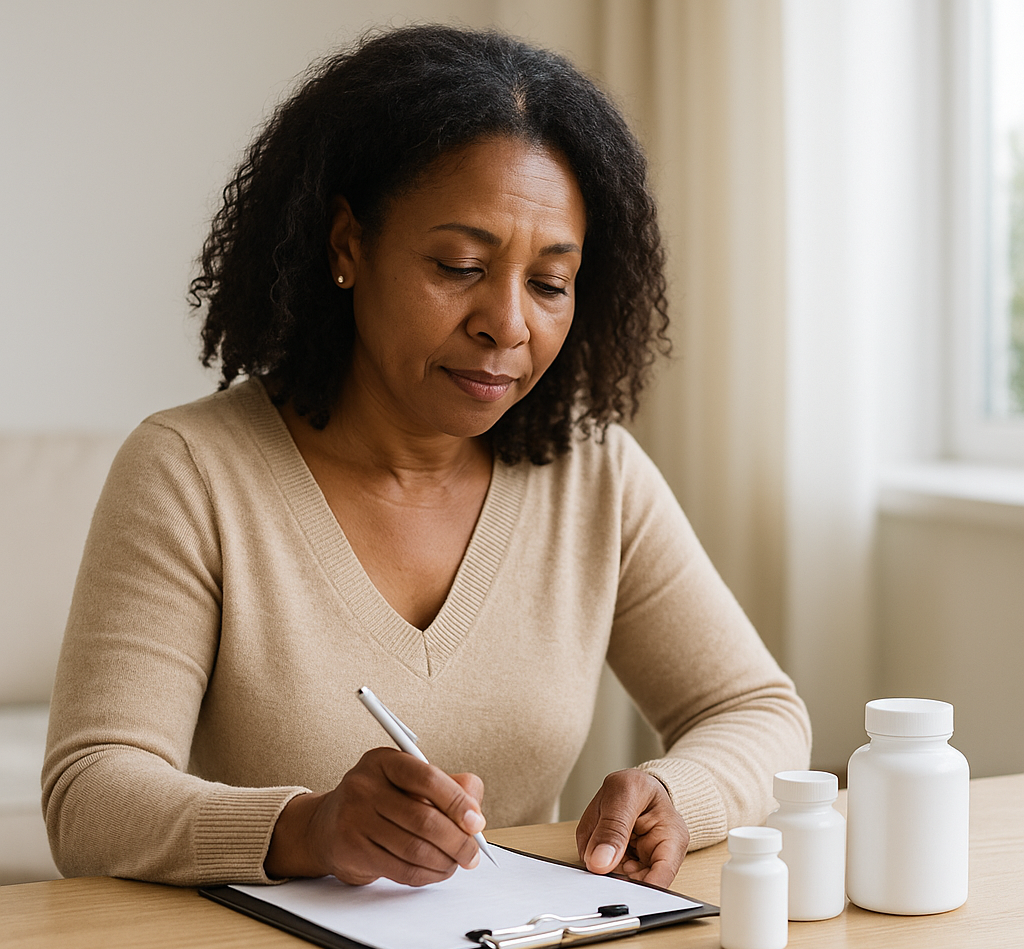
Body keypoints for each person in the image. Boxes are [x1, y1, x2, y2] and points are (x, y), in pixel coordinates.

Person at [42, 25, 811, 891]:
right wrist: (307, 827)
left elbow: (756, 710)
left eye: (550, 283)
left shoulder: (594, 476)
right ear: (347, 248)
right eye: (460, 264)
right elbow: (90, 793)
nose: (509, 324)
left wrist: (679, 792)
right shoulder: (192, 472)